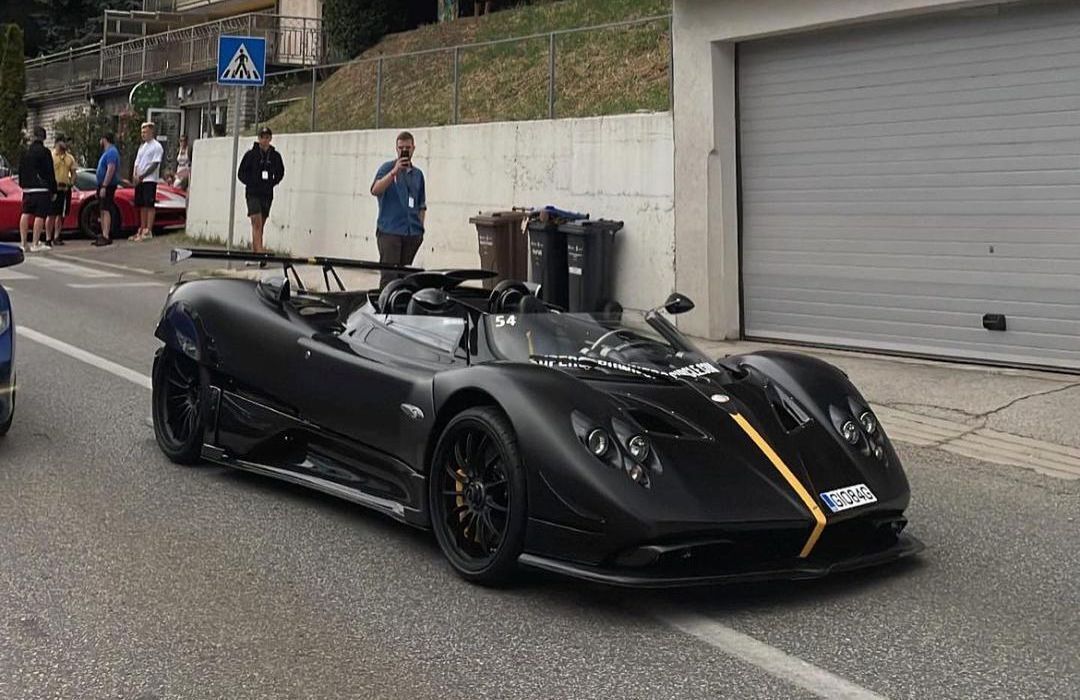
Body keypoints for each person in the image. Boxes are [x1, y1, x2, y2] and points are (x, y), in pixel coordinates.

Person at [370, 131, 426, 288]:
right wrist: (394, 172)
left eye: (407, 147)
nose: (404, 151)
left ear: (413, 148)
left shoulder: (418, 175)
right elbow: (375, 190)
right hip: (390, 232)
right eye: (401, 148)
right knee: (389, 277)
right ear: (396, 148)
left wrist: (420, 229)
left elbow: (421, 204)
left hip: (411, 233)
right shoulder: (387, 168)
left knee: (405, 278)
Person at [237, 126, 285, 254]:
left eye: (267, 138)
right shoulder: (251, 155)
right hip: (253, 193)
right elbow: (241, 173)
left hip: (267, 193)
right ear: (258, 139)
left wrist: (272, 182)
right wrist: (251, 182)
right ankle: (260, 252)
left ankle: (255, 249)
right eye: (262, 138)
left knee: (261, 224)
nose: (264, 140)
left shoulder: (275, 156)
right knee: (256, 222)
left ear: (270, 139)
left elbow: (280, 172)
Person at [18, 126, 57, 253]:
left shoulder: (25, 152)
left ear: (33, 136)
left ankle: (24, 243)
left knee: (25, 213)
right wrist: (53, 189)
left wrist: (23, 184)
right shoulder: (45, 152)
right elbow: (49, 172)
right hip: (41, 188)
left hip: (27, 188)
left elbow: (20, 169)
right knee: (39, 216)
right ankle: (35, 242)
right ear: (43, 138)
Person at [131, 122, 164, 242]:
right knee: (141, 204)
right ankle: (142, 227)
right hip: (140, 179)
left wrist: (143, 175)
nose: (143, 134)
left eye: (145, 132)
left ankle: (148, 229)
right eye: (142, 132)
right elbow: (137, 161)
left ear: (151, 132)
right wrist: (135, 174)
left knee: (149, 204)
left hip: (149, 179)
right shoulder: (142, 146)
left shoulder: (156, 146)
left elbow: (155, 163)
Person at [46, 135, 76, 247]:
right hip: (54, 188)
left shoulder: (70, 158)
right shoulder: (51, 156)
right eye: (63, 142)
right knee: (51, 214)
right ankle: (48, 237)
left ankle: (57, 236)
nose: (66, 145)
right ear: (58, 143)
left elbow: (73, 173)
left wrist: (71, 183)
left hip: (64, 189)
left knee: (60, 214)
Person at [92, 132, 121, 247]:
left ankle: (106, 234)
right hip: (102, 184)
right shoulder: (106, 152)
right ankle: (103, 233)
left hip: (108, 185)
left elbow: (111, 169)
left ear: (104, 139)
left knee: (106, 209)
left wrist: (104, 185)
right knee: (102, 209)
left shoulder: (112, 152)